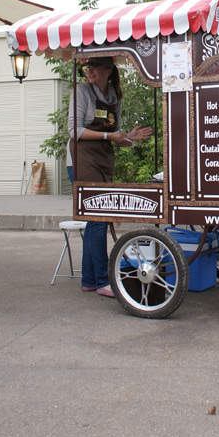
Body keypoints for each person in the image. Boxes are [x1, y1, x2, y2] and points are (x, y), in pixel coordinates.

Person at [67, 56, 151, 297]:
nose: (90, 71)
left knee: (97, 220)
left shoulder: (115, 96)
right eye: (87, 67)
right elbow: (74, 130)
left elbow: (117, 135)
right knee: (97, 219)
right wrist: (110, 137)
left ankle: (89, 280)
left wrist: (129, 138)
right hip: (81, 160)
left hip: (102, 159)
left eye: (94, 66)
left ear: (108, 69)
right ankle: (103, 280)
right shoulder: (81, 91)